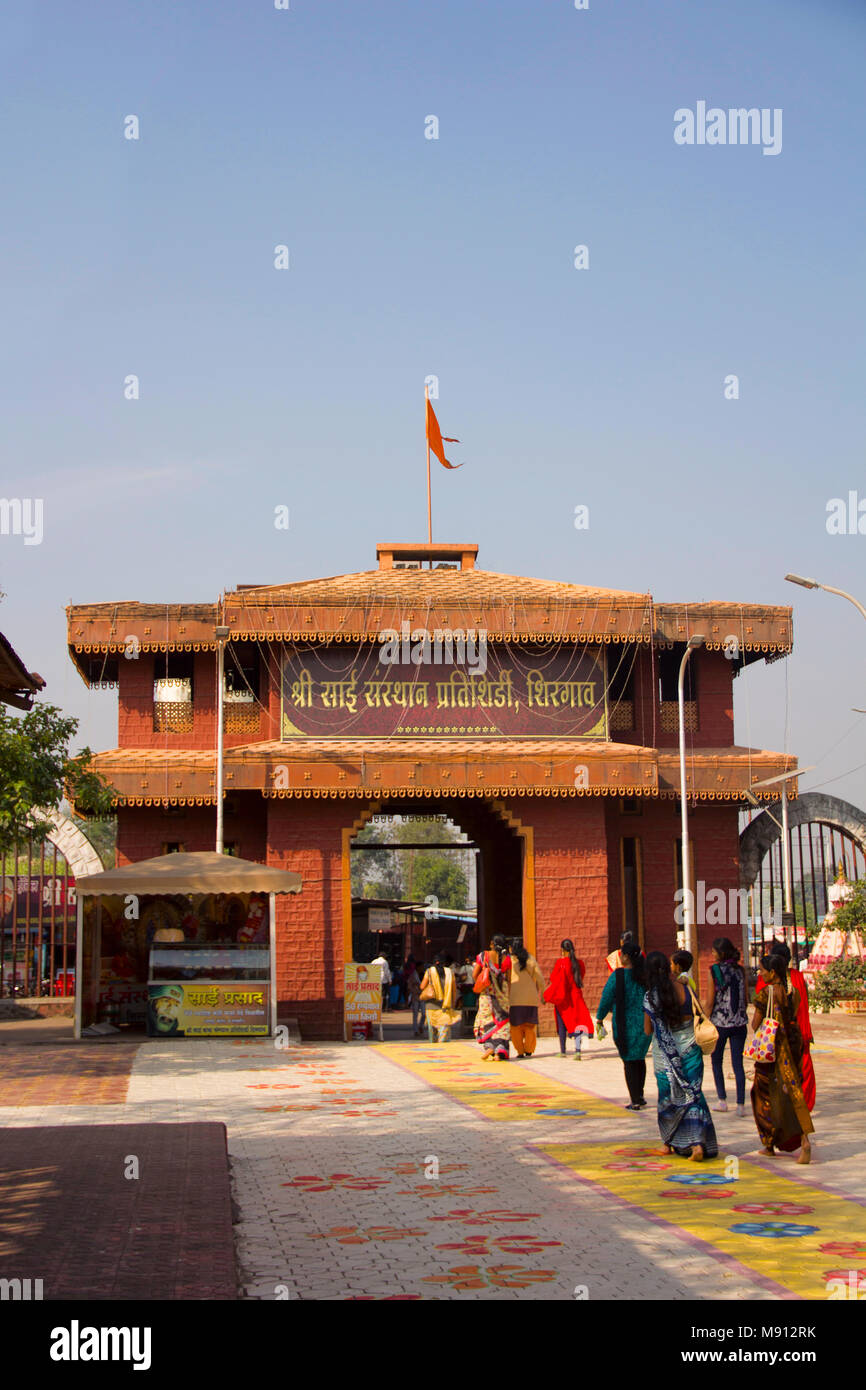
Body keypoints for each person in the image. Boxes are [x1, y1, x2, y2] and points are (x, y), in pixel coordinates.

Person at [642, 950, 718, 1160]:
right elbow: (698, 1012)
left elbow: (648, 1030)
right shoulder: (685, 988)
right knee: (693, 1095)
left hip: (665, 1056)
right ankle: (697, 1145)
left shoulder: (651, 996)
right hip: (691, 1049)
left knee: (667, 1098)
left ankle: (667, 1144)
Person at [750, 952, 814, 1163]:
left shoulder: (765, 994)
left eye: (762, 970)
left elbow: (755, 1024)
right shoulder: (791, 991)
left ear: (772, 972)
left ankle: (769, 1143)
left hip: (772, 1052)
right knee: (793, 1094)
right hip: (792, 1047)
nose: (760, 973)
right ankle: (804, 1139)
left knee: (763, 1095)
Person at [756, 940, 815, 1111]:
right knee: (801, 1071)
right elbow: (803, 1006)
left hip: (776, 1037)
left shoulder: (767, 983)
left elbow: (759, 1018)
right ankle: (802, 1106)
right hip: (797, 1032)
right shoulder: (796, 977)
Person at [596, 941, 651, 1107]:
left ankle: (634, 1099)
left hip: (623, 1025)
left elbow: (606, 997)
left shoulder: (617, 976)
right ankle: (639, 1096)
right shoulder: (645, 976)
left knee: (628, 1062)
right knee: (639, 1060)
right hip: (644, 1025)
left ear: (626, 957)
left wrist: (599, 1017)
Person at [706, 936, 749, 1116]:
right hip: (739, 1022)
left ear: (721, 953)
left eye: (714, 951)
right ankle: (740, 1104)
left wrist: (704, 1020)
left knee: (717, 1061)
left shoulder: (714, 971)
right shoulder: (740, 971)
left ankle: (722, 1100)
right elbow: (745, 997)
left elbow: (710, 1000)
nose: (712, 954)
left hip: (720, 1022)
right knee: (737, 1063)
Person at [544, 939, 594, 1059]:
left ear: (562, 950)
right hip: (576, 996)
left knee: (562, 1024)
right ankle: (577, 1051)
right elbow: (581, 976)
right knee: (576, 1023)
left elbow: (553, 979)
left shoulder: (561, 963)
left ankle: (563, 1051)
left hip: (563, 998)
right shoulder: (579, 963)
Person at [472, 934, 511, 1060]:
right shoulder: (507, 959)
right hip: (502, 994)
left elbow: (474, 975)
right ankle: (500, 1050)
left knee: (486, 1020)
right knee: (502, 1022)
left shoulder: (484, 955)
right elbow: (509, 979)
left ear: (492, 944)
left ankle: (489, 1047)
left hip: (487, 994)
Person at [507, 938, 545, 1057]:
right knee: (530, 1026)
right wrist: (543, 995)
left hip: (515, 998)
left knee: (515, 1027)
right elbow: (540, 979)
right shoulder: (531, 958)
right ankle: (529, 1049)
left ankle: (520, 1051)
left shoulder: (510, 961)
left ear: (511, 948)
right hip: (531, 998)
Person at [419, 954, 460, 1043]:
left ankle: (434, 1052)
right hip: (445, 1007)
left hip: (431, 1007)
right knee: (444, 1035)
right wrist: (453, 1004)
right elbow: (454, 990)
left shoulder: (429, 971)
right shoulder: (450, 972)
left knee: (433, 1034)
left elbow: (422, 986)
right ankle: (443, 1052)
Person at [405, 959, 424, 1036]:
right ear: (418, 967)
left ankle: (421, 1026)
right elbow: (409, 986)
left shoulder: (424, 974)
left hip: (423, 996)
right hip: (415, 996)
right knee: (415, 1014)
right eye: (421, 966)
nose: (422, 968)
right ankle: (415, 1030)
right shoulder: (413, 975)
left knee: (424, 1013)